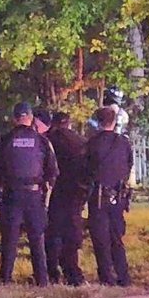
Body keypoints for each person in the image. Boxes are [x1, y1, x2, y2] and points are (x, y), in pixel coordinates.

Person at [0, 102, 58, 286]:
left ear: (14, 118)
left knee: (9, 240)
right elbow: (52, 171)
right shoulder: (42, 141)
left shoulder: (6, 140)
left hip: (12, 195)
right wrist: (45, 191)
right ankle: (42, 280)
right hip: (34, 196)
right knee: (37, 239)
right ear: (31, 118)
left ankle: (5, 279)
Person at [84, 106, 132, 286]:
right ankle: (123, 275)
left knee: (100, 239)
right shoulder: (123, 143)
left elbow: (85, 169)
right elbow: (128, 166)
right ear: (114, 121)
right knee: (116, 238)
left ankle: (106, 276)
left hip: (97, 197)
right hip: (118, 197)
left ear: (98, 122)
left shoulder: (92, 143)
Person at [44, 111, 88, 286]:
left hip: (53, 193)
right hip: (74, 193)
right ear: (69, 123)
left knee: (52, 232)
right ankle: (73, 273)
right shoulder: (81, 142)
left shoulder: (45, 140)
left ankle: (51, 273)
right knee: (72, 233)